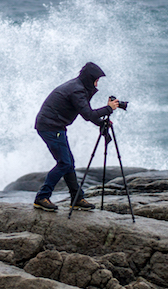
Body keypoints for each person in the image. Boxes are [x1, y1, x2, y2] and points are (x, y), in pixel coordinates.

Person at [32, 62, 120, 211]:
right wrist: (108, 109)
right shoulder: (77, 90)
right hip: (50, 126)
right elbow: (88, 115)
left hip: (55, 126)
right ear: (89, 78)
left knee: (68, 163)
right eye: (96, 80)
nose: (97, 84)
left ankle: (77, 198)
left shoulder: (78, 87)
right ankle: (42, 197)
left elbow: (86, 112)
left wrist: (100, 123)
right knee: (64, 163)